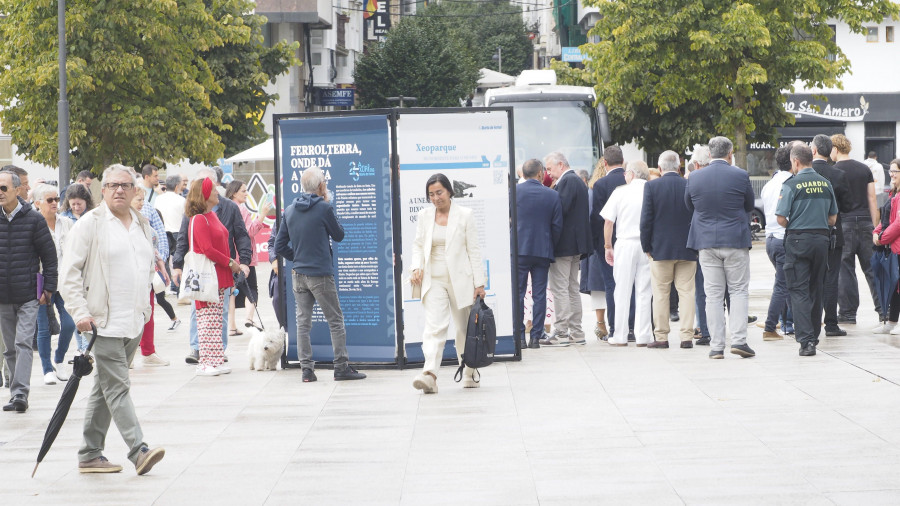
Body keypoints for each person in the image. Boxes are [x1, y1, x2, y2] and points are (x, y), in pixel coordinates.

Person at [59, 164, 165, 474]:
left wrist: (146, 309)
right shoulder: (90, 225)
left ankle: (89, 453)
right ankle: (139, 450)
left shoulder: (142, 224)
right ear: (102, 190)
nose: (119, 189)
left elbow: (146, 267)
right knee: (118, 386)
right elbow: (69, 274)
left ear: (135, 190)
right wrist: (79, 312)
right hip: (100, 323)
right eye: (112, 185)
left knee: (103, 389)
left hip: (133, 321)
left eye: (125, 185)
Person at [274, 167, 366, 383]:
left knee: (303, 323)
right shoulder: (324, 208)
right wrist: (327, 205)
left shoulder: (289, 210)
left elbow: (279, 245)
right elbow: (339, 235)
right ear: (321, 186)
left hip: (299, 274)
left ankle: (307, 370)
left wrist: (295, 257)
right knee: (335, 320)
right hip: (321, 275)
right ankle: (341, 367)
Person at [405, 173, 485, 393]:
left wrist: (480, 284)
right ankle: (429, 374)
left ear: (449, 191)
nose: (435, 198)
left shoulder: (465, 215)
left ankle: (469, 369)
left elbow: (474, 251)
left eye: (439, 192)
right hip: (434, 280)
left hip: (461, 280)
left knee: (463, 328)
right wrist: (416, 267)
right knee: (434, 327)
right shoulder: (424, 216)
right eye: (431, 194)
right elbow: (418, 245)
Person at [684, 136, 755, 359]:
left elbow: (689, 205)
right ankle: (739, 341)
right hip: (735, 239)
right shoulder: (740, 175)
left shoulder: (694, 177)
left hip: (706, 242)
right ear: (730, 153)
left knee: (712, 294)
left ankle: (716, 346)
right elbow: (749, 205)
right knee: (738, 291)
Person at [173, 167, 252, 364]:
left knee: (220, 312)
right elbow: (185, 238)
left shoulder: (227, 208)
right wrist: (177, 264)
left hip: (222, 271)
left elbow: (241, 235)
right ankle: (198, 349)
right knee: (199, 310)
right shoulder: (194, 214)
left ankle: (217, 351)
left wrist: (244, 261)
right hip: (203, 270)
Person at [0, 170, 57, 413]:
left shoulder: (34, 219)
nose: (0, 193)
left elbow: (50, 257)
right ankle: (15, 392)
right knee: (10, 347)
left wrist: (49, 289)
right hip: (2, 296)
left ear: (16, 190)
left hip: (28, 295)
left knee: (23, 342)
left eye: (3, 188)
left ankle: (20, 393)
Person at [776, 144, 838, 357]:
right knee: (816, 288)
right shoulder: (825, 183)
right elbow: (833, 218)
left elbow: (781, 218)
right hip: (822, 240)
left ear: (795, 161)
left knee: (798, 290)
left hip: (798, 241)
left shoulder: (791, 184)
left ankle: (806, 341)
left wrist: (798, 223)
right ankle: (814, 334)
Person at [640, 151, 697, 349]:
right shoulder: (689, 184)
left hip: (660, 249)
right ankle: (686, 337)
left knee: (661, 293)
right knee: (687, 292)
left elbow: (646, 219)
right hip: (688, 248)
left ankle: (662, 336)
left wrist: (646, 246)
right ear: (679, 167)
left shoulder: (652, 186)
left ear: (660, 167)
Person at [183, 177, 238, 376]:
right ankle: (205, 361)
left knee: (217, 320)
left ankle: (215, 359)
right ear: (205, 195)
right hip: (209, 276)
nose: (217, 192)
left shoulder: (211, 216)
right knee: (207, 320)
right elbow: (206, 248)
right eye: (213, 190)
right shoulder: (198, 219)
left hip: (219, 275)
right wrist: (230, 262)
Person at [831, 134, 881, 324]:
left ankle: (847, 313)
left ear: (835, 149)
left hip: (844, 224)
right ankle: (884, 310)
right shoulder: (864, 169)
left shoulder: (834, 171)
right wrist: (875, 227)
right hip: (866, 223)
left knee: (846, 270)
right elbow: (872, 199)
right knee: (871, 268)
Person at [602, 160, 652, 346]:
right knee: (645, 291)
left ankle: (620, 335)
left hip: (624, 243)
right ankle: (643, 335)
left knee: (621, 290)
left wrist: (608, 246)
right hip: (646, 245)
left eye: (626, 173)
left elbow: (608, 222)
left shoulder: (620, 192)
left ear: (632, 174)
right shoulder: (651, 189)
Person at [544, 151, 592, 346]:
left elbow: (559, 211)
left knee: (561, 288)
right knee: (572, 287)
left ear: (561, 165)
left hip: (564, 245)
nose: (548, 173)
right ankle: (577, 332)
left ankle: (562, 331)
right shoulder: (577, 180)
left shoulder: (567, 182)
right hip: (576, 245)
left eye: (550, 168)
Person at [515, 159, 563, 349]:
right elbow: (557, 226)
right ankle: (536, 337)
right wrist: (551, 244)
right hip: (542, 250)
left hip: (519, 249)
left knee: (518, 294)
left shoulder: (514, 193)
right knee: (539, 294)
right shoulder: (552, 195)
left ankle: (519, 337)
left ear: (524, 174)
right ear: (541, 174)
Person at [33, 184, 76, 385]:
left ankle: (59, 358)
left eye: (56, 200)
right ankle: (46, 368)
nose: (54, 204)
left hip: (64, 280)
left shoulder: (66, 223)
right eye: (49, 200)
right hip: (42, 281)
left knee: (69, 323)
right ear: (38, 203)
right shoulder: (33, 223)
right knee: (43, 328)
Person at [591, 145, 634, 342]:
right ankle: (633, 327)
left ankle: (617, 328)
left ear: (605, 163)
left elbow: (598, 218)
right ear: (623, 161)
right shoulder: (633, 180)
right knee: (633, 284)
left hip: (608, 243)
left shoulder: (601, 185)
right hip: (633, 239)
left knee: (611, 285)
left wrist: (597, 243)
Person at [810, 134, 851, 337]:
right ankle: (831, 324)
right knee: (831, 278)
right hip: (834, 233)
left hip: (809, 233)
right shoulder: (838, 174)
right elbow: (847, 205)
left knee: (810, 278)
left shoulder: (805, 173)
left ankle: (809, 321)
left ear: (814, 150)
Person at [130, 186, 172, 367]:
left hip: (146, 274)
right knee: (130, 314)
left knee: (148, 313)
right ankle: (128, 353)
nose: (141, 203)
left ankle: (148, 351)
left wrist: (161, 265)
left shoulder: (143, 220)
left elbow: (152, 244)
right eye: (138, 199)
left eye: (142, 199)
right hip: (128, 275)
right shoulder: (120, 221)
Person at [226, 180, 272, 332]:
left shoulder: (225, 208)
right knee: (252, 288)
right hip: (245, 256)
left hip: (230, 256)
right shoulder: (241, 209)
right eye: (243, 191)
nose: (246, 194)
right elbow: (248, 232)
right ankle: (249, 318)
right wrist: (262, 216)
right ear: (234, 193)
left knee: (231, 291)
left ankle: (231, 326)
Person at [758, 146, 794, 342]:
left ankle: (789, 322)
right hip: (783, 237)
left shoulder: (769, 184)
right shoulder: (790, 182)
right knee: (782, 285)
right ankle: (770, 327)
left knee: (785, 282)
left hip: (770, 239)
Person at [686, 145, 712, 345]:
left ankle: (704, 329)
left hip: (701, 240)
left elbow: (688, 206)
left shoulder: (692, 180)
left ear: (695, 164)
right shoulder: (727, 176)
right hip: (727, 240)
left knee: (702, 288)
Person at [873, 159, 900, 334]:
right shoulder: (893, 193)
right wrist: (876, 232)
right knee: (894, 286)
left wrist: (881, 238)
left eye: (895, 171)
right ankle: (891, 322)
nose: (891, 174)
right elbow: (885, 218)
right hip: (892, 247)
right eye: (890, 171)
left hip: (896, 246)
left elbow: (898, 224)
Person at [155, 174, 186, 295]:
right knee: (178, 261)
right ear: (177, 186)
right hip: (178, 232)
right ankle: (177, 287)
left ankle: (165, 286)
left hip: (163, 232)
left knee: (164, 260)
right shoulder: (181, 200)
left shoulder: (159, 199)